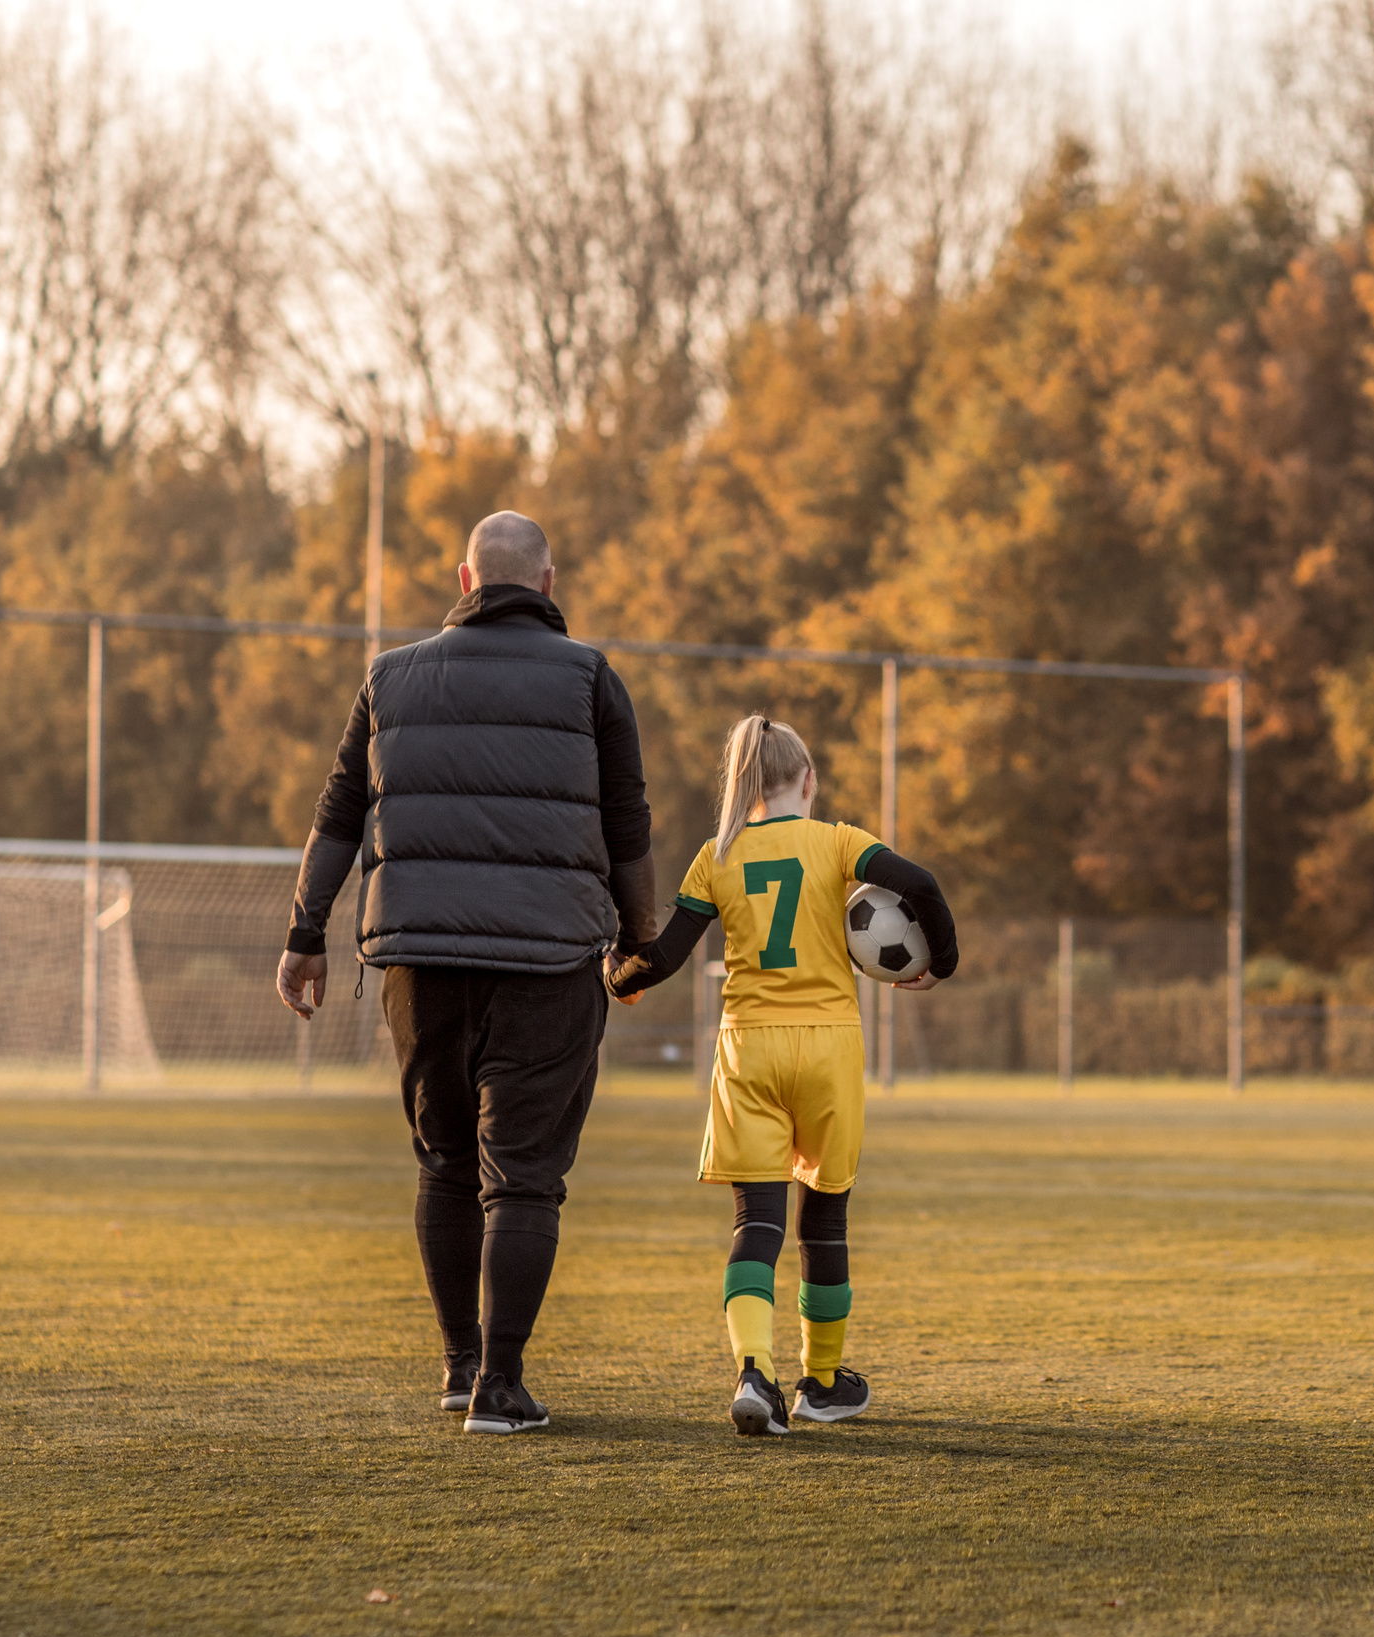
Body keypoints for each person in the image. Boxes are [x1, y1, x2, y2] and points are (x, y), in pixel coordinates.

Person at [273, 511, 659, 1437]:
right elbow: (628, 822)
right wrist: (637, 938)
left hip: (419, 959)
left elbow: (338, 816)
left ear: (464, 577)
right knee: (521, 1178)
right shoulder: (591, 678)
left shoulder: (389, 676)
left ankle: (460, 1367)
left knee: (445, 1163)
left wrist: (304, 933)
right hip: (550, 959)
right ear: (549, 581)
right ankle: (501, 1386)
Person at [609, 714, 958, 1436]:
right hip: (828, 1050)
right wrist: (940, 966)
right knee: (823, 1218)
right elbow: (920, 884)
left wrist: (619, 976)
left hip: (750, 1051)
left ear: (743, 784)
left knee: (755, 1222)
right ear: (808, 779)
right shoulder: (837, 841)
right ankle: (824, 1384)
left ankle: (755, 1374)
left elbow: (665, 955)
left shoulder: (718, 853)